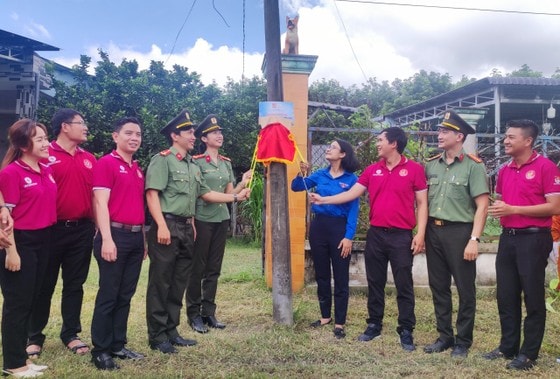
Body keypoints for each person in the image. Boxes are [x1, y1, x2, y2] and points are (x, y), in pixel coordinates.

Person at [309, 128, 428, 349]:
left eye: (380, 140)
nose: (377, 144)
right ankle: (374, 324)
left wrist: (420, 234)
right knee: (375, 282)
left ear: (394, 143)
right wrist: (323, 201)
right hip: (376, 234)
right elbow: (351, 194)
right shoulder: (372, 170)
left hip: (402, 235)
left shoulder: (414, 169)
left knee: (404, 284)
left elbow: (422, 203)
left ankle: (406, 329)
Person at [145, 110, 250, 353]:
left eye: (193, 131)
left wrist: (234, 196)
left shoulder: (192, 164)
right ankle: (157, 336)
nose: (194, 135)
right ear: (174, 135)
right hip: (167, 224)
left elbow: (206, 194)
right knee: (161, 282)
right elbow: (152, 194)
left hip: (186, 225)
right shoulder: (162, 159)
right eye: (189, 132)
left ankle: (172, 331)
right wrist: (160, 224)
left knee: (178, 282)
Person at [484, 119, 560, 370]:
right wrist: (500, 209)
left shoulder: (546, 167)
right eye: (505, 136)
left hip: (534, 238)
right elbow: (501, 201)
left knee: (533, 295)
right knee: (506, 295)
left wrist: (514, 208)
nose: (506, 141)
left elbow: (555, 206)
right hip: (509, 238)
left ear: (528, 141)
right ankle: (508, 347)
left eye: (511, 137)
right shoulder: (505, 170)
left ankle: (528, 353)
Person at [27, 109, 96, 359]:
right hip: (50, 230)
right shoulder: (45, 156)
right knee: (43, 284)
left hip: (82, 230)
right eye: (81, 123)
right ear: (65, 127)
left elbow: (95, 198)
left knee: (75, 284)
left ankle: (71, 333)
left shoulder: (90, 159)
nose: (85, 127)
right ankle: (33, 336)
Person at [423, 110, 489, 358]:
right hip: (434, 231)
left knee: (464, 288)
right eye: (439, 130)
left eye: (445, 131)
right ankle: (444, 337)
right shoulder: (431, 165)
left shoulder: (473, 167)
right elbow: (422, 203)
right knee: (438, 286)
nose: (439, 135)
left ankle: (463, 340)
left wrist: (474, 239)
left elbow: (482, 205)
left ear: (459, 136)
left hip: (460, 233)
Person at [0, 119, 56, 377]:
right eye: (40, 139)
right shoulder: (11, 173)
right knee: (17, 303)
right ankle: (13, 364)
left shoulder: (45, 168)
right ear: (24, 145)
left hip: (44, 239)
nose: (46, 143)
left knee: (32, 300)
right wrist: (11, 251)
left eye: (46, 138)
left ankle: (21, 357)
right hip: (20, 242)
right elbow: (5, 219)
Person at [186, 114, 252, 334]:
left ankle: (209, 313)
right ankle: (193, 314)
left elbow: (228, 193)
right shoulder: (195, 163)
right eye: (214, 132)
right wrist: (236, 198)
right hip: (203, 220)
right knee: (198, 268)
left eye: (220, 132)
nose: (219, 135)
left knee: (214, 269)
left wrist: (242, 184)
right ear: (203, 138)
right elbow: (206, 195)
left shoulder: (226, 163)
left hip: (221, 220)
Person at [90, 117, 146, 370]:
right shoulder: (106, 164)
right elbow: (100, 203)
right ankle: (100, 350)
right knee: (109, 294)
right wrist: (107, 239)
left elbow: (138, 207)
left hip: (135, 237)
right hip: (113, 235)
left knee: (126, 294)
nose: (134, 138)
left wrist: (143, 240)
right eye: (128, 133)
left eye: (138, 134)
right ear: (115, 136)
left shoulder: (137, 168)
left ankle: (117, 344)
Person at [291, 139, 359, 339]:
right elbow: (296, 187)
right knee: (321, 274)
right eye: (328, 147)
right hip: (319, 227)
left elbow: (354, 210)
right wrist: (302, 173)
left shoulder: (352, 179)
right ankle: (325, 317)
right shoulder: (320, 174)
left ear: (343, 154)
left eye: (333, 147)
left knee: (340, 277)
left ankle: (339, 322)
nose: (328, 149)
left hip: (339, 229)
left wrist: (348, 237)